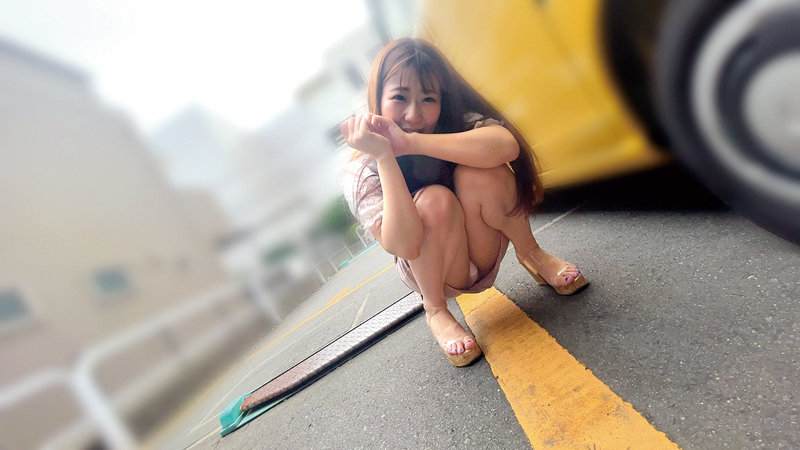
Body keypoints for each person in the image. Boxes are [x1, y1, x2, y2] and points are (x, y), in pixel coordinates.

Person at [339, 38, 587, 367]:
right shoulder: (361, 168)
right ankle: (436, 311)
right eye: (399, 97)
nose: (414, 113)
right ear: (377, 97)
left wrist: (412, 142)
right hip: (435, 272)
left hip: (480, 246)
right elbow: (404, 244)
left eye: (429, 98)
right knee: (434, 201)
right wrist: (385, 156)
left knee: (484, 172)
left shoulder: (456, 124)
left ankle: (532, 254)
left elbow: (506, 147)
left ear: (442, 99)